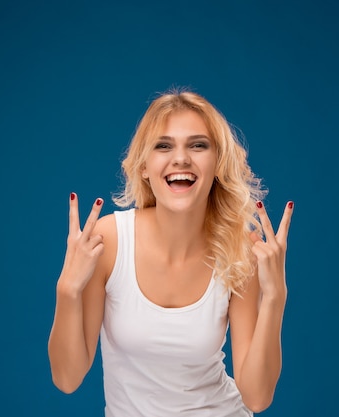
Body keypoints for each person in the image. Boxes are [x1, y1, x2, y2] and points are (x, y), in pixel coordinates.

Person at [48, 89, 294, 416]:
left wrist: (275, 296)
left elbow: (256, 398)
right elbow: (67, 378)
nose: (180, 158)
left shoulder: (239, 250)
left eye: (198, 145)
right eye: (163, 145)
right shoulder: (109, 239)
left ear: (218, 163)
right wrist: (67, 290)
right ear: (145, 166)